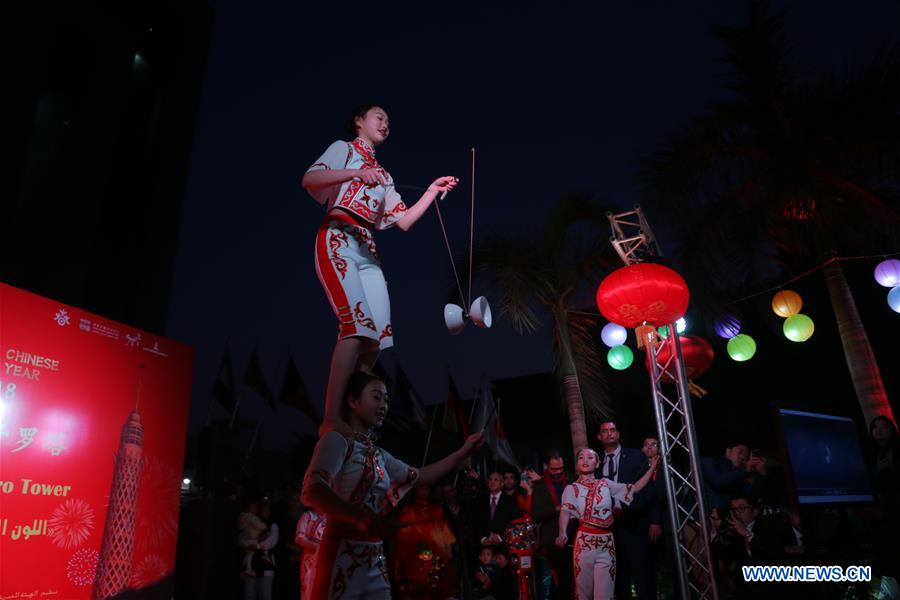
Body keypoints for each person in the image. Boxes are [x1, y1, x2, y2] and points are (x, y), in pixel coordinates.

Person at [302, 104, 458, 437]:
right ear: (359, 121)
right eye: (379, 117)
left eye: (389, 120)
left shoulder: (384, 175)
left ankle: (353, 418)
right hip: (338, 237)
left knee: (375, 341)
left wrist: (432, 191)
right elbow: (310, 179)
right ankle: (331, 418)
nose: (386, 123)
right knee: (354, 327)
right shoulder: (343, 149)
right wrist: (354, 174)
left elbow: (403, 221)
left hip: (368, 251)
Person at [301, 371, 483, 599]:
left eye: (386, 400)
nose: (383, 405)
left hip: (375, 559)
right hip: (340, 557)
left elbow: (419, 475)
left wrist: (463, 451)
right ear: (352, 401)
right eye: (376, 397)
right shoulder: (337, 441)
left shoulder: (379, 455)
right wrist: (361, 518)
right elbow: (313, 490)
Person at [556, 448, 658, 600]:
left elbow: (635, 488)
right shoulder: (571, 488)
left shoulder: (605, 484)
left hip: (606, 544)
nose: (585, 460)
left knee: (605, 594)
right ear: (577, 464)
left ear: (597, 463)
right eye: (581, 458)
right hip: (584, 544)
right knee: (583, 594)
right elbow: (565, 511)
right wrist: (562, 532)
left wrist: (652, 468)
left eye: (590, 457)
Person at [596, 422, 661, 599]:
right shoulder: (596, 463)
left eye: (612, 430)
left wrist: (655, 520)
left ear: (618, 434)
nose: (609, 433)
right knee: (619, 578)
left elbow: (649, 490)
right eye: (605, 431)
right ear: (599, 437)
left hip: (635, 524)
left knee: (643, 575)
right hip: (609, 531)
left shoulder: (635, 456)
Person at [518, 450, 573, 599]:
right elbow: (537, 514)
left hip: (574, 536)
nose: (558, 472)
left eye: (560, 468)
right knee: (561, 581)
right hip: (552, 540)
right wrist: (558, 508)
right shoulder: (540, 485)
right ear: (546, 467)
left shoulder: (572, 479)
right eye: (554, 469)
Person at [295, 508, 326, 600]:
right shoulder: (308, 516)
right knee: (309, 589)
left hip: (324, 559)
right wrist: (319, 547)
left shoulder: (330, 518)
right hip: (309, 559)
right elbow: (299, 538)